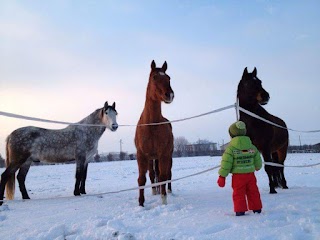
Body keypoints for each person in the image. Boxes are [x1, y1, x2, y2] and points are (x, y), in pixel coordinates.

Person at [217, 121, 263, 216]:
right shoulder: (251, 146)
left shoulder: (231, 149)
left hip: (238, 177)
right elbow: (257, 157)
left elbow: (226, 163)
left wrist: (222, 176)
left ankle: (240, 210)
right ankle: (257, 208)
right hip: (250, 175)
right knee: (253, 191)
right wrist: (258, 166)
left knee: (238, 193)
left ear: (231, 134)